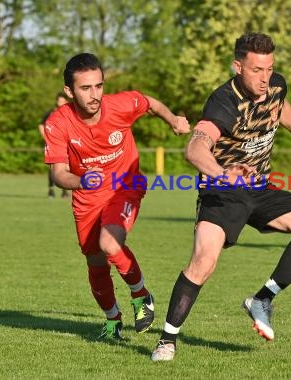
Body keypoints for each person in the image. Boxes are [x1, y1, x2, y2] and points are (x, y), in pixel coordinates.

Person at [151, 32, 291, 361]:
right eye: (256, 70)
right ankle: (166, 340)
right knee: (203, 263)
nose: (264, 78)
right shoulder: (223, 102)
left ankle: (262, 300)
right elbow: (195, 147)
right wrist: (222, 173)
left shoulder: (275, 84)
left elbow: (281, 106)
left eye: (269, 69)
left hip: (259, 188)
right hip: (222, 192)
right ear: (237, 67)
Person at [44, 53, 190, 340]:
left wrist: (173, 120)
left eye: (98, 86)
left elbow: (149, 103)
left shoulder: (121, 105)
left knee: (110, 243)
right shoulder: (58, 122)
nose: (95, 94)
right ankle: (113, 321)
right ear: (69, 92)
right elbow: (58, 174)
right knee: (96, 262)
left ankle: (141, 294)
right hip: (87, 195)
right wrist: (82, 179)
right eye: (85, 89)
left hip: (125, 185)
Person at [38, 92, 70, 198]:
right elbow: (41, 124)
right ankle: (51, 190)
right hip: (52, 144)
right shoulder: (51, 113)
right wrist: (45, 137)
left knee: (66, 167)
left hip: (66, 143)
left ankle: (65, 191)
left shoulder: (69, 112)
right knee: (52, 167)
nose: (60, 102)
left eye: (62, 100)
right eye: (59, 100)